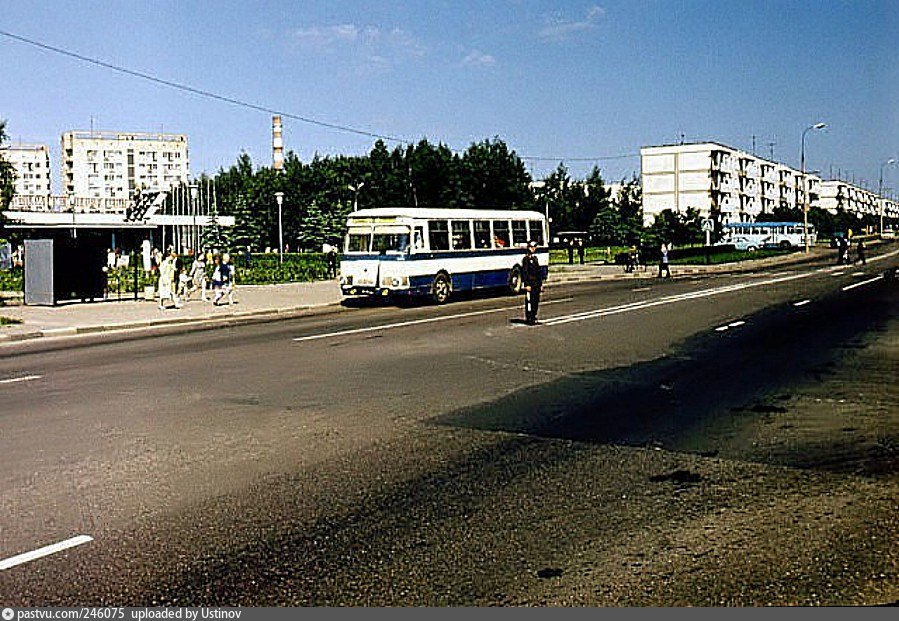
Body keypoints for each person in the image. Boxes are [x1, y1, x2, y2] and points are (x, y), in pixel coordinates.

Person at [521, 240, 544, 325]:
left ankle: (534, 316)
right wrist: (526, 284)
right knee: (530, 301)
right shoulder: (526, 259)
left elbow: (538, 272)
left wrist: (540, 284)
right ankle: (529, 318)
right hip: (530, 284)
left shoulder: (535, 258)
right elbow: (525, 272)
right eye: (531, 247)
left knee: (536, 301)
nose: (533, 249)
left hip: (536, 284)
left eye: (534, 247)